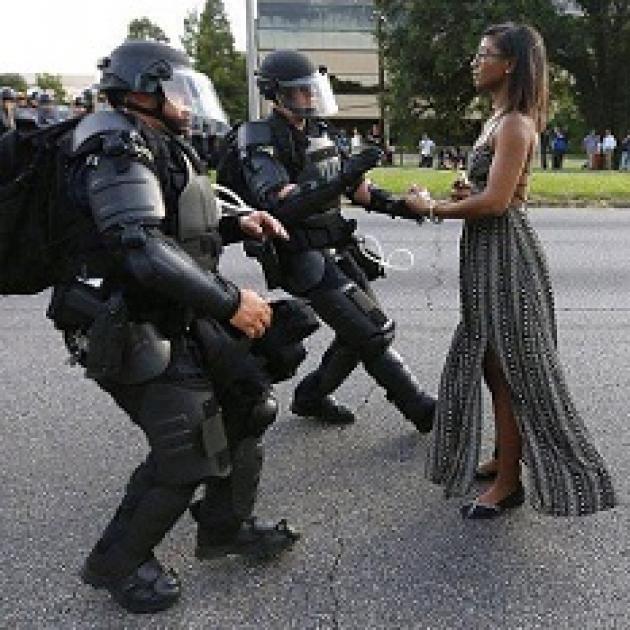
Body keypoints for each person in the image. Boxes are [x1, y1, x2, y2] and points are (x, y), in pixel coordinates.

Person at [46, 40, 302, 614]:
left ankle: (223, 526)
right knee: (187, 451)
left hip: (175, 311)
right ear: (142, 90)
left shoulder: (151, 140)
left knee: (248, 404)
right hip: (129, 321)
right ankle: (116, 562)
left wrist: (240, 224)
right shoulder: (113, 144)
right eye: (177, 90)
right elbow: (139, 247)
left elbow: (176, 225)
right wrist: (232, 301)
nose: (188, 103)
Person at [404, 23, 616, 519]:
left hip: (507, 256)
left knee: (511, 368)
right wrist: (464, 192)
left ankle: (509, 482)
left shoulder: (517, 123)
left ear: (511, 64)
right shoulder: (496, 120)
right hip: (486, 253)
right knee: (491, 363)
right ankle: (505, 455)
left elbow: (498, 203)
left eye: (485, 55)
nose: (476, 62)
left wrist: (431, 207)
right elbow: (489, 192)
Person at [220, 49, 436, 430]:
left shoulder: (321, 132)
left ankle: (311, 396)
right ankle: (421, 409)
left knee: (361, 332)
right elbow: (279, 205)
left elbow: (360, 190)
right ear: (276, 93)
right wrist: (340, 178)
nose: (310, 97)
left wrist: (407, 207)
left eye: (312, 89)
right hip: (299, 253)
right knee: (372, 333)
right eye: (301, 91)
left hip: (337, 244)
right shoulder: (259, 138)